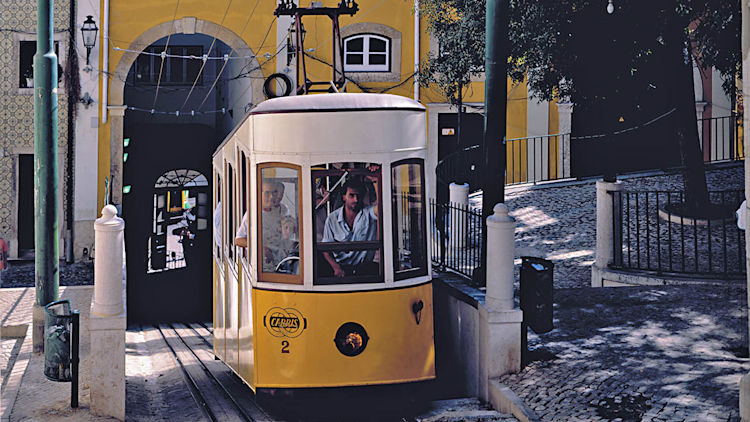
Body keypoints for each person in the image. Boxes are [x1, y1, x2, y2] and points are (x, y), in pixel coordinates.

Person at [322, 173, 379, 277]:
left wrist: (375, 181)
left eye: (358, 196)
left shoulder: (368, 213)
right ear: (344, 197)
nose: (356, 200)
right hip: (341, 270)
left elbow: (382, 209)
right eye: (351, 195)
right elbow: (326, 250)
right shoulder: (332, 219)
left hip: (364, 271)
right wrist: (336, 268)